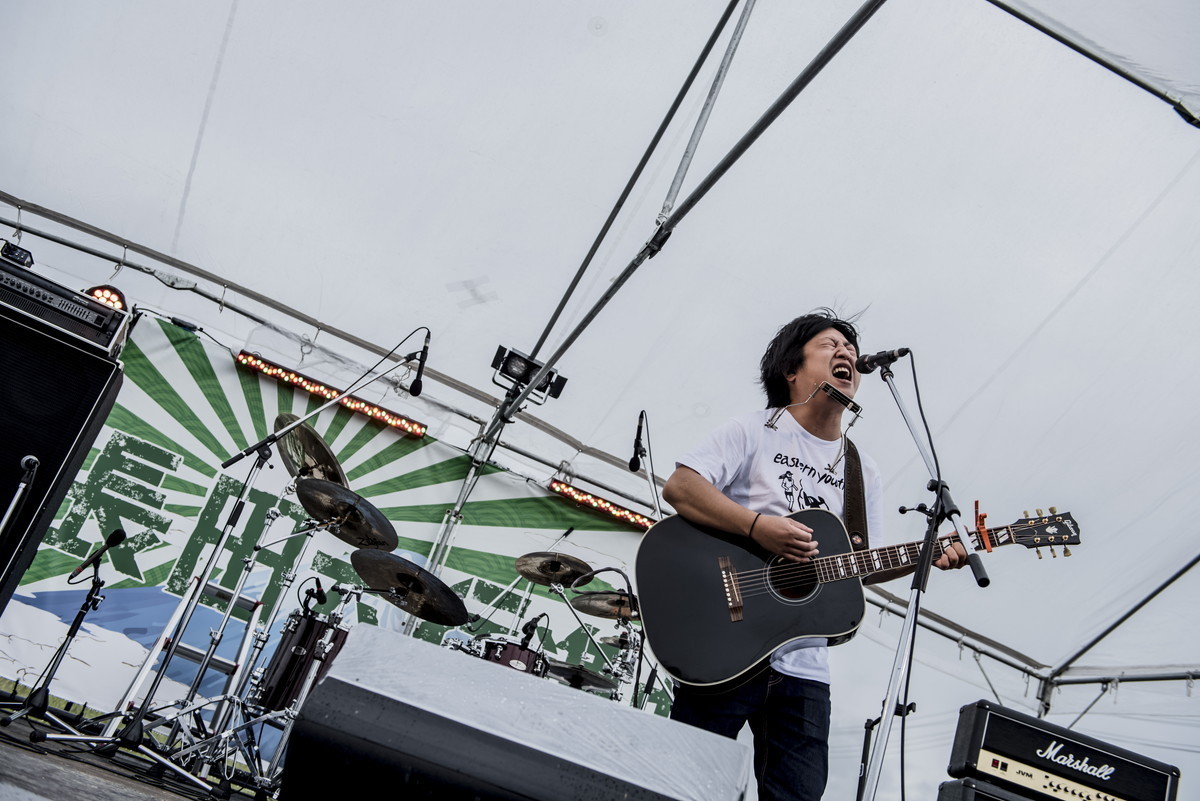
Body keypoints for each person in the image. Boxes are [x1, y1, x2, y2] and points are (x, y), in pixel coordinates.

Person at [661, 309, 966, 801]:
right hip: (725, 644)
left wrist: (928, 555)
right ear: (791, 368)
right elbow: (681, 486)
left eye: (851, 350)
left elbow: (858, 568)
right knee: (683, 785)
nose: (847, 353)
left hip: (804, 668)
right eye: (831, 345)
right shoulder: (752, 431)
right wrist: (759, 528)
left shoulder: (862, 470)